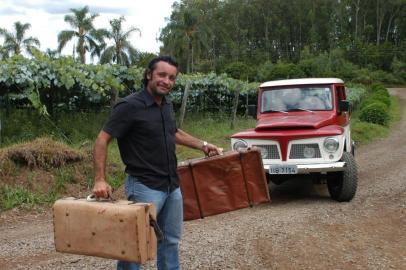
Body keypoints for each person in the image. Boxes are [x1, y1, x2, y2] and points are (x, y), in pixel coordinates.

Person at [92, 55, 223, 270]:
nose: (167, 81)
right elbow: (102, 139)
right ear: (148, 75)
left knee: (170, 241)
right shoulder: (129, 106)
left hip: (172, 186)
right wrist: (100, 179)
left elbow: (174, 132)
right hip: (144, 186)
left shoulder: (165, 105)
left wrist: (203, 144)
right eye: (162, 75)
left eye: (171, 78)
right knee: (135, 244)